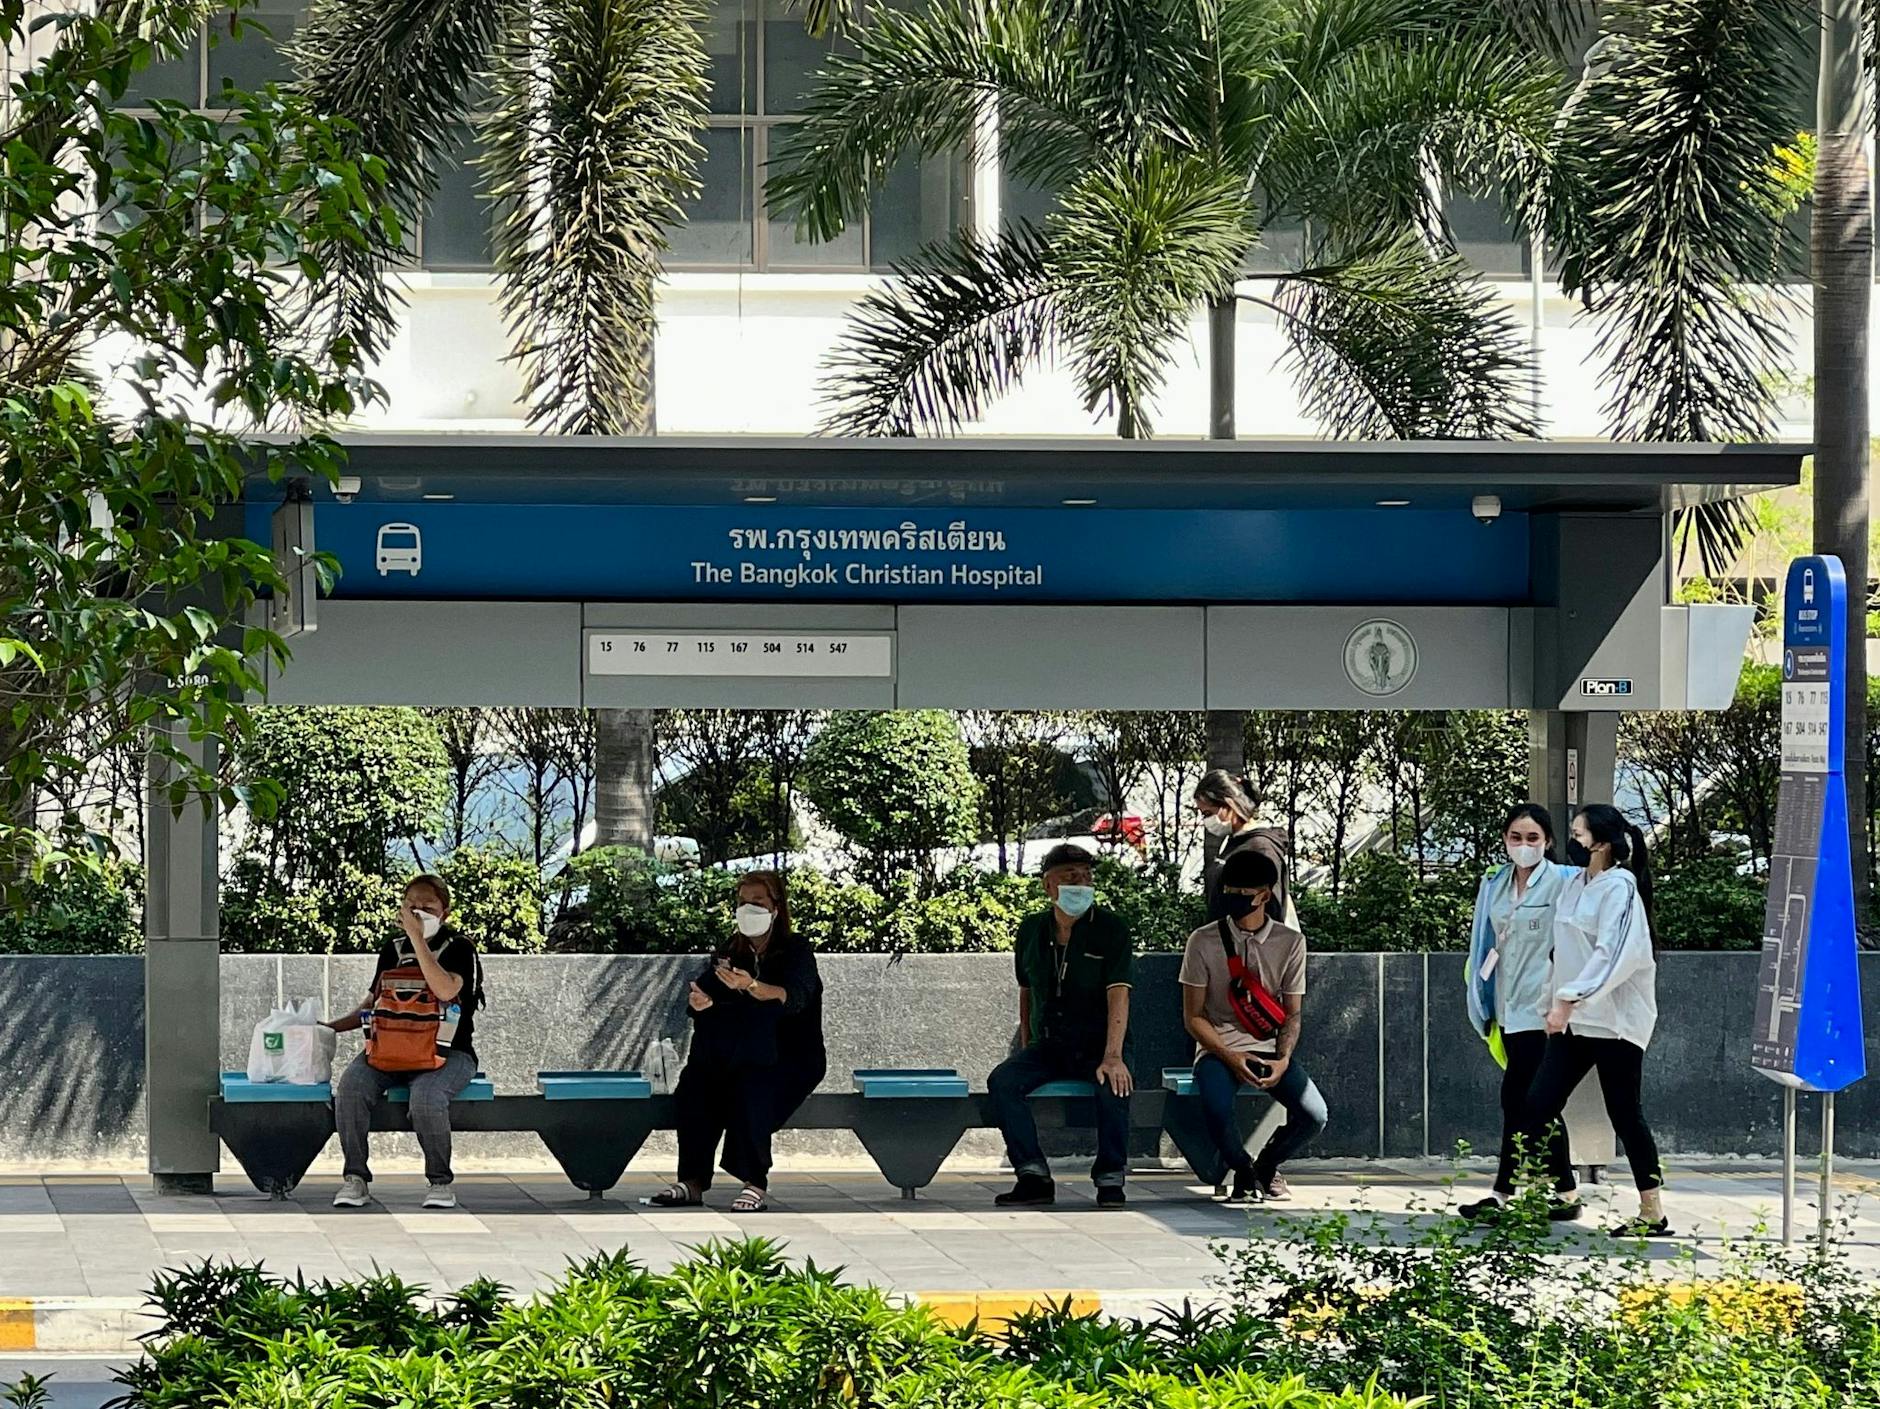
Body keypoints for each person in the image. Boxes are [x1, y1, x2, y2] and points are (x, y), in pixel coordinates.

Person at [1518, 804, 1669, 1238]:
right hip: (1577, 1023)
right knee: (1538, 1105)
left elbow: (1614, 955)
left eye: (1580, 834)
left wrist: (1567, 999)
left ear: (1601, 842)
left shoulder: (1620, 889)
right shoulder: (1577, 886)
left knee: (1625, 1114)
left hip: (1615, 1023)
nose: (1574, 840)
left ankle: (1652, 1210)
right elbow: (1559, 951)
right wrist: (1554, 1002)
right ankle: (1565, 1193)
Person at [647, 871, 825, 1213]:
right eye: (743, 902)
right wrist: (699, 1002)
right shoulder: (733, 950)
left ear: (776, 907)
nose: (749, 909)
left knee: (754, 1086)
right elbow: (706, 991)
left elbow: (795, 998)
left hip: (789, 1055)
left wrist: (751, 987)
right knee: (695, 1085)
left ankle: (754, 1181)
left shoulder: (795, 950)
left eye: (757, 902)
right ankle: (693, 1180)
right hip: (741, 1049)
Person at [986, 843, 1135, 1209]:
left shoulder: (1111, 929)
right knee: (1003, 1081)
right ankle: (1033, 1175)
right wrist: (1028, 1040)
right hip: (1050, 1043)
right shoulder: (1032, 929)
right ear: (1048, 886)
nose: (1080, 884)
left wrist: (1113, 1055)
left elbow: (1119, 993)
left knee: (1113, 1086)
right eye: (1070, 877)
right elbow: (1026, 990)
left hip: (1099, 1043)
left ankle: (1110, 1178)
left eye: (1086, 877)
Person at [326, 874, 483, 1210]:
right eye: (411, 906)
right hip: (389, 1049)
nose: (417, 913)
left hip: (448, 1054)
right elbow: (372, 1003)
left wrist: (419, 941)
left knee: (427, 1097)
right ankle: (355, 1179)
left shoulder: (460, 949)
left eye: (427, 907)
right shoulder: (392, 950)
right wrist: (330, 1027)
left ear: (445, 912)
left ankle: (440, 1182)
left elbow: (445, 990)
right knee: (351, 1088)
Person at [1179, 847, 1325, 1204]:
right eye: (1229, 892)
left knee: (1314, 1114)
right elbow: (1193, 1016)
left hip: (1266, 1046)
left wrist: (1283, 1059)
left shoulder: (1290, 943)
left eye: (1244, 895)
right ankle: (1241, 1170)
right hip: (1217, 1047)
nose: (1234, 900)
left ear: (1264, 895)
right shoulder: (1202, 941)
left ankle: (1266, 1166)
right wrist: (1229, 1055)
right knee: (1215, 1105)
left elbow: (1292, 1013)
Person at [1460, 803, 1582, 1221]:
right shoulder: (1494, 884)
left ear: (1547, 842)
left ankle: (1503, 1193)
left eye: (1533, 838)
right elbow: (1484, 940)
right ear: (1505, 840)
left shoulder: (1565, 882)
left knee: (1520, 1098)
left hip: (1545, 1010)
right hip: (1509, 1008)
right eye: (1516, 837)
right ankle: (1565, 1192)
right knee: (1535, 1102)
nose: (1524, 846)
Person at [1193, 770, 1298, 927]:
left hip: (1250, 946)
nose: (1207, 821)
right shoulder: (1234, 841)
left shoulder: (1261, 848)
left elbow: (1271, 909)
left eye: (1208, 813)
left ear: (1229, 804)